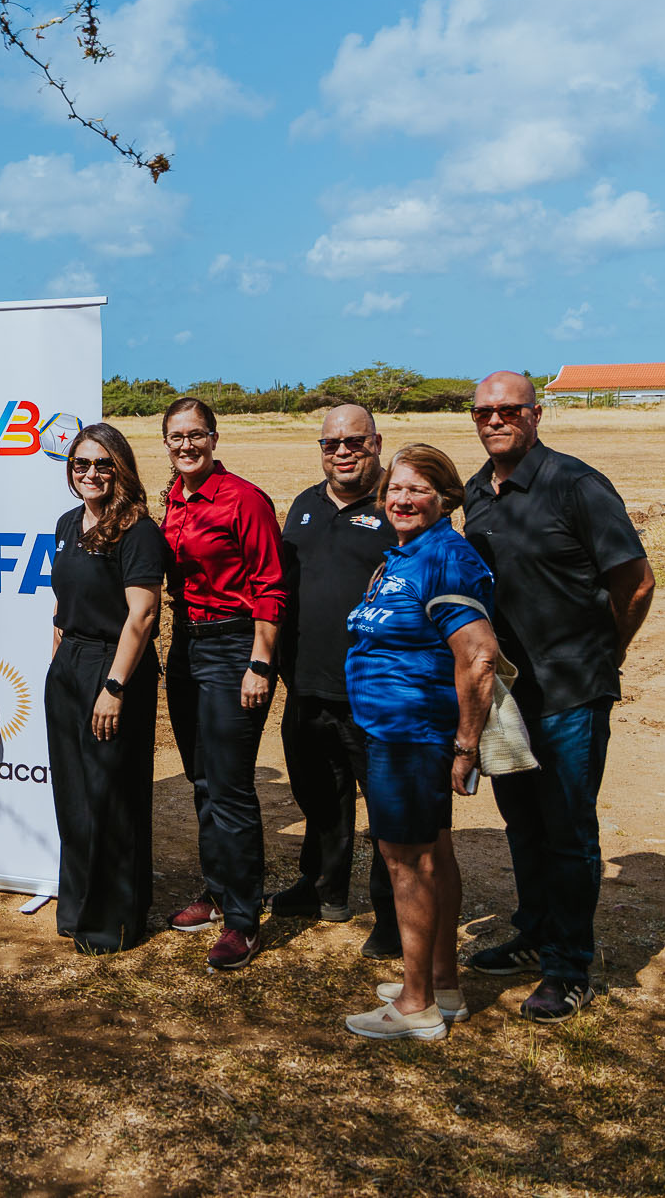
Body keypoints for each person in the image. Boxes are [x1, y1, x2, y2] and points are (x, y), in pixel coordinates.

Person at [462, 371, 655, 1023]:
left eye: (509, 409)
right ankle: (535, 935)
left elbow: (636, 581)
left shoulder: (576, 485)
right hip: (507, 695)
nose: (496, 420)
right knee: (523, 824)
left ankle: (569, 968)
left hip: (571, 691)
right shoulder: (476, 492)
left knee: (568, 830)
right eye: (484, 411)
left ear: (536, 414)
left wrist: (605, 653)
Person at [342, 444, 498, 1042]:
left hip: (411, 734)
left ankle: (416, 1006)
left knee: (407, 862)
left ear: (446, 498)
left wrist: (465, 745)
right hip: (396, 731)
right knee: (433, 853)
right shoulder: (409, 553)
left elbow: (479, 656)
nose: (401, 500)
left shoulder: (444, 558)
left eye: (417, 490)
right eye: (394, 490)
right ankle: (442, 984)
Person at [159, 396, 288, 972]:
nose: (186, 445)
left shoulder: (243, 499)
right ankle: (216, 891)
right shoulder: (173, 498)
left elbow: (271, 585)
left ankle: (243, 918)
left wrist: (260, 662)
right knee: (202, 780)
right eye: (177, 436)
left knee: (231, 787)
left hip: (235, 646)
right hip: (186, 645)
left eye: (196, 434)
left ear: (214, 438)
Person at [273, 404, 400, 956]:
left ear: (377, 443)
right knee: (318, 794)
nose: (343, 452)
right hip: (306, 684)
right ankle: (323, 888)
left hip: (374, 692)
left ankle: (393, 913)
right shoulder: (305, 505)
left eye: (355, 441)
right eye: (331, 444)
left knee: (388, 808)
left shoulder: (397, 505)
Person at [46, 423, 166, 953]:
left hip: (114, 667)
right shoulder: (67, 523)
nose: (90, 473)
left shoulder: (138, 531)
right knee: (73, 795)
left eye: (102, 464)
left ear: (120, 468)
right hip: (70, 665)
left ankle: (114, 920)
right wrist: (58, 663)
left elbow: (142, 615)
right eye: (81, 464)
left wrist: (114, 687)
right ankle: (77, 909)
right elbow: (61, 602)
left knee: (110, 795)